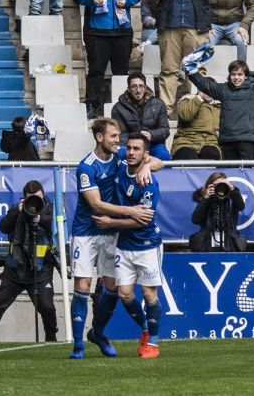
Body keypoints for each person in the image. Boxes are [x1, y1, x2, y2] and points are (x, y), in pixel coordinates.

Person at [67, 118, 156, 360]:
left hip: (110, 231)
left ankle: (98, 333)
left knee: (113, 289)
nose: (119, 141)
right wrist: (131, 211)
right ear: (99, 137)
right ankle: (77, 346)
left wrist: (147, 165)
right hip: (86, 231)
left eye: (119, 136)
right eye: (114, 136)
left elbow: (160, 161)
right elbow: (95, 204)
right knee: (82, 286)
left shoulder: (119, 157)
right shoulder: (87, 167)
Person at [91, 133, 164, 359]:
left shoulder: (149, 184)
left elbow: (142, 219)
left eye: (137, 149)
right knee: (124, 294)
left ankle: (152, 342)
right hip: (123, 245)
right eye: (129, 148)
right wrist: (148, 165)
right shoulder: (122, 164)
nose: (131, 152)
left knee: (149, 294)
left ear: (145, 154)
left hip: (147, 245)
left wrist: (111, 222)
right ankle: (144, 328)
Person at [0, 180, 58, 342]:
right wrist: (18, 210)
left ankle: (51, 338)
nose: (35, 204)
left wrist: (39, 217)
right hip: (15, 267)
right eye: (31, 200)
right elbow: (3, 227)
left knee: (47, 306)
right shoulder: (18, 209)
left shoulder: (50, 209)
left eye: (39, 199)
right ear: (24, 198)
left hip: (41, 268)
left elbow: (56, 226)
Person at [71, 0, 143, 119]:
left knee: (121, 72)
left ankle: (123, 107)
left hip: (122, 31)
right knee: (96, 71)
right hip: (96, 32)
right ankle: (92, 106)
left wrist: (126, 0)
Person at [150, 0, 215, 113]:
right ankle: (166, 110)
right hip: (169, 27)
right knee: (168, 70)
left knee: (197, 69)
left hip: (197, 28)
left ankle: (196, 109)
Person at [188, 57, 254, 159]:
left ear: (246, 76)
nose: (236, 77)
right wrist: (191, 71)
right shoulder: (223, 89)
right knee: (230, 172)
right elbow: (205, 84)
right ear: (229, 75)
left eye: (240, 74)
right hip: (228, 139)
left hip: (247, 139)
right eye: (233, 74)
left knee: (246, 173)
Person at [110, 72, 171, 160]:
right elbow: (120, 135)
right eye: (134, 86)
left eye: (141, 86)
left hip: (153, 144)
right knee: (119, 153)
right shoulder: (118, 108)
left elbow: (165, 130)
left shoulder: (159, 104)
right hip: (129, 146)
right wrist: (137, 139)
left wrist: (151, 135)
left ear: (145, 88)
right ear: (128, 89)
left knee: (163, 154)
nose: (138, 90)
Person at [190, 172, 246, 251]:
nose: (219, 188)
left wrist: (232, 189)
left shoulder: (231, 197)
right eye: (215, 185)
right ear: (209, 186)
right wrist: (205, 199)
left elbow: (241, 207)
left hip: (229, 239)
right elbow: (195, 220)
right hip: (207, 240)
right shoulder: (205, 198)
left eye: (221, 184)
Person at [171, 89, 221, 159]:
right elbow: (185, 117)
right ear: (199, 90)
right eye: (205, 90)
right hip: (186, 141)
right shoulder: (187, 100)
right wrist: (198, 98)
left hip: (209, 142)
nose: (208, 93)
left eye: (211, 90)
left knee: (212, 155)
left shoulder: (217, 106)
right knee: (188, 157)